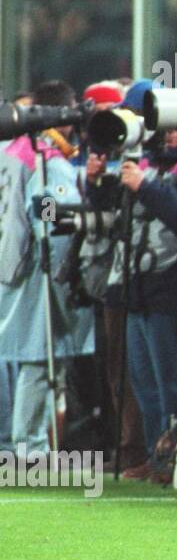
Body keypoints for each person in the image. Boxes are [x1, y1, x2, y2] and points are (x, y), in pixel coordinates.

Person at [93, 116, 177, 483]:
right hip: (137, 286)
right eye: (170, 126)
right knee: (143, 379)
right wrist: (97, 181)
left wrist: (145, 186)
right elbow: (113, 216)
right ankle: (155, 454)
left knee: (172, 379)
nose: (173, 132)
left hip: (174, 285)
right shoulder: (148, 162)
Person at [0, 81, 95, 456]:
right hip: (41, 267)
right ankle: (30, 447)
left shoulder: (11, 149)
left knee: (28, 357)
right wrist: (74, 219)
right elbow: (48, 214)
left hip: (13, 264)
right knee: (40, 358)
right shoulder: (47, 158)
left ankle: (22, 443)